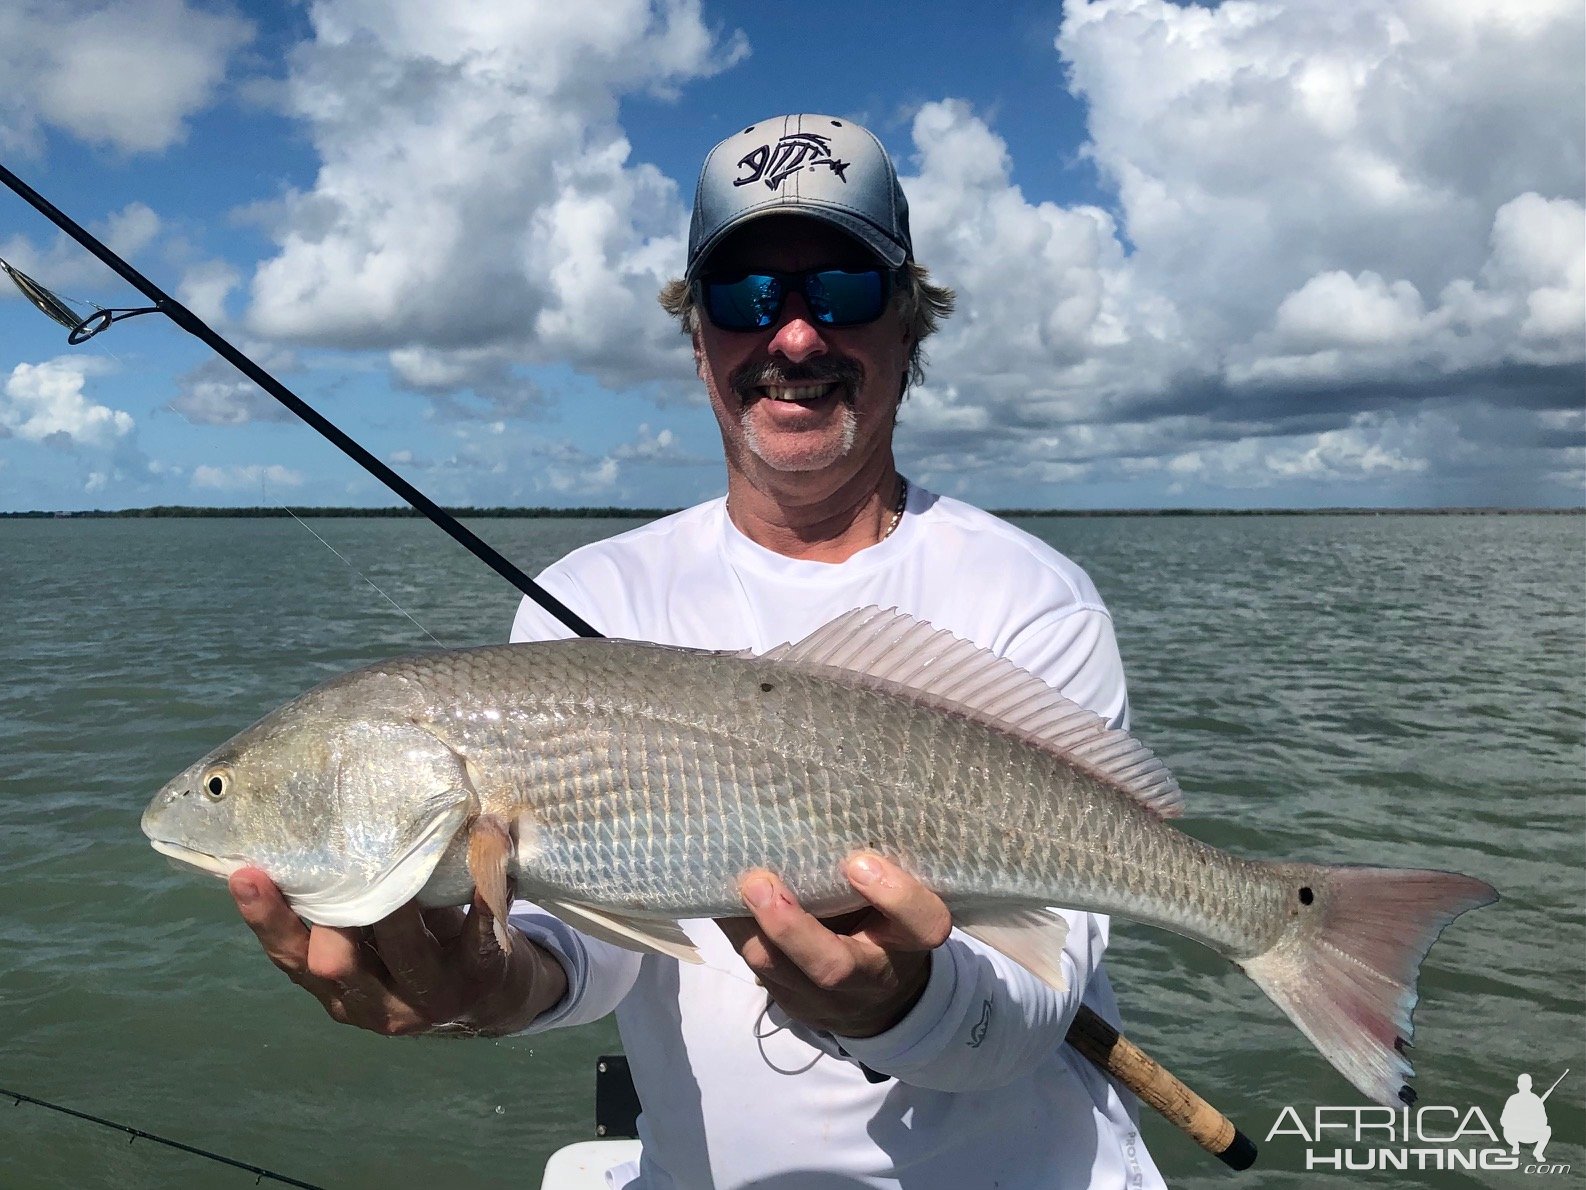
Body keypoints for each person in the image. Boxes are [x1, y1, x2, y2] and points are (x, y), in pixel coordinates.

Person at [229, 113, 1165, 1189]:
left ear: (910, 326)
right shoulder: (592, 593)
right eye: (745, 296)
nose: (796, 336)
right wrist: (489, 982)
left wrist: (901, 1000)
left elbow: (1032, 1003)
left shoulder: (1031, 595)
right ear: (697, 337)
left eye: (844, 290)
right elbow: (589, 944)